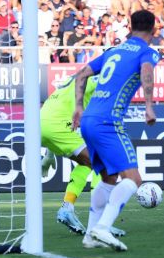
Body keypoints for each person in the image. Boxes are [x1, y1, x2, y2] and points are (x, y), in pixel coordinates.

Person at [72, 10, 159, 251]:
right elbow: (147, 72)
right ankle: (103, 227)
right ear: (154, 29)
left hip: (89, 118)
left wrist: (78, 107)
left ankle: (90, 234)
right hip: (108, 122)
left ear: (130, 27)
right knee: (133, 179)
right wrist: (149, 107)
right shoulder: (148, 51)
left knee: (108, 178)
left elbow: (81, 75)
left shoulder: (114, 51)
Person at [40, 75, 124, 237]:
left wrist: (49, 156)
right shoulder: (97, 78)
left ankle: (67, 207)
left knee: (87, 163)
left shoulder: (71, 80)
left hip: (41, 124)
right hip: (58, 125)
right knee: (104, 164)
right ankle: (100, 222)